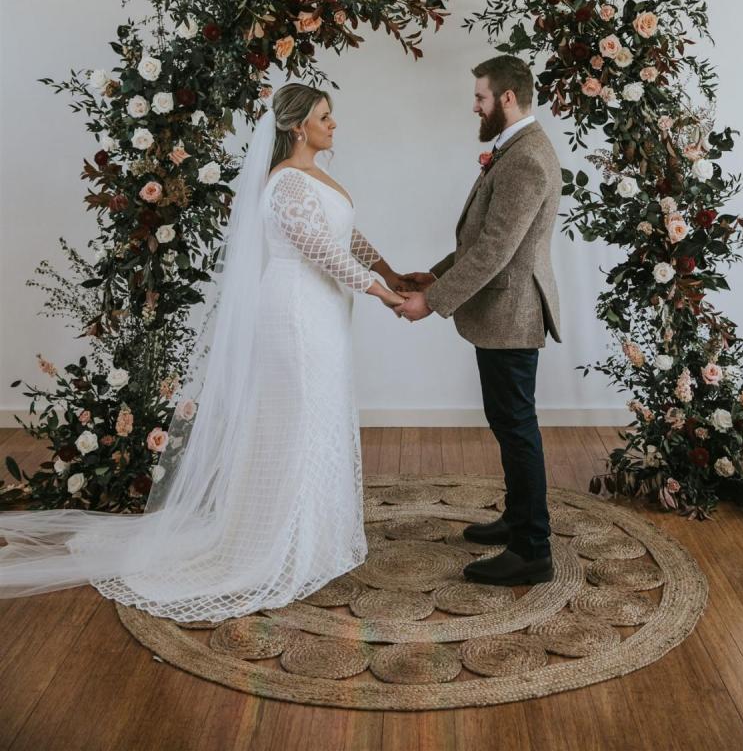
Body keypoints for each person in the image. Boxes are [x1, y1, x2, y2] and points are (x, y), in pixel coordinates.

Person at [0, 84, 405, 621]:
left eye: (333, 115)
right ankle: (284, 542)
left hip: (327, 312)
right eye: (324, 117)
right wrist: (389, 297)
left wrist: (390, 271)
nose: (334, 125)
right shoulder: (285, 184)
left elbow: (346, 236)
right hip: (297, 312)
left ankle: (317, 536)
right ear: (296, 127)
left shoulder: (319, 178)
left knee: (322, 414)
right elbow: (320, 251)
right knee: (301, 416)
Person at [395, 55, 562, 587]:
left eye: (480, 97)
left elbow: (495, 251)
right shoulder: (513, 151)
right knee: (507, 422)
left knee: (516, 427)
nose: (475, 106)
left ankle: (533, 548)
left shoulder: (528, 159)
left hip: (513, 310)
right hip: (500, 309)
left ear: (507, 98)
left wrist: (434, 301)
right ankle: (517, 518)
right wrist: (434, 275)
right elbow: (478, 240)